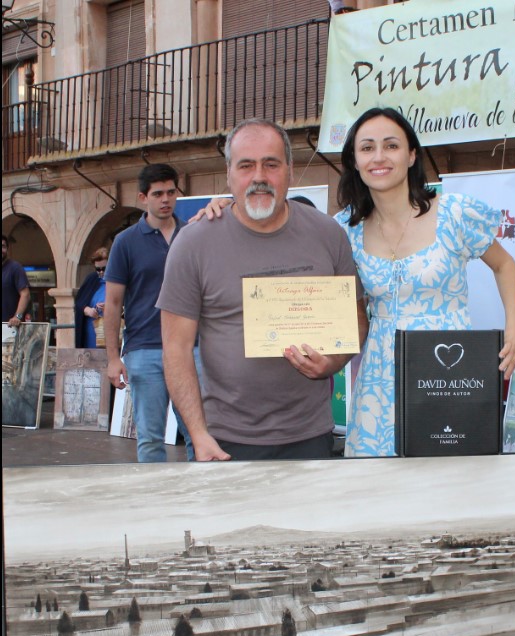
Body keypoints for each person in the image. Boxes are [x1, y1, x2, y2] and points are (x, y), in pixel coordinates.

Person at [157, 118, 368, 462]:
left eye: (271, 164)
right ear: (228, 174)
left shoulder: (328, 234)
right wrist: (197, 434)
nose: (259, 177)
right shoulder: (194, 243)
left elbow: (356, 322)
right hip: (224, 440)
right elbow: (175, 348)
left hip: (310, 435)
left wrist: (333, 362)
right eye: (246, 165)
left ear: (289, 170)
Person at [335, 107, 515, 457]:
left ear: (411, 155)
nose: (379, 157)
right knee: (378, 487)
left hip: (448, 373)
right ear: (355, 161)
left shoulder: (454, 213)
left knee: (445, 480)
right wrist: (225, 211)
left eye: (391, 146)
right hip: (379, 376)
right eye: (367, 148)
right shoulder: (345, 228)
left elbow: (504, 264)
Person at [103, 164, 187, 463]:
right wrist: (113, 358)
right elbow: (112, 303)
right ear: (143, 198)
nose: (166, 199)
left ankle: (203, 503)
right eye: (158, 194)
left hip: (190, 349)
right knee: (151, 439)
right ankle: (155, 504)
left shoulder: (191, 235)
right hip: (144, 350)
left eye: (171, 192)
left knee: (199, 434)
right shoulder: (126, 241)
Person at [74, 246, 110, 348]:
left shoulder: (118, 280)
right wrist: (87, 310)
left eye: (104, 268)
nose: (101, 272)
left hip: (112, 332)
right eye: (98, 269)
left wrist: (110, 308)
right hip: (91, 334)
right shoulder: (91, 279)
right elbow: (79, 303)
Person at [2, 234, 31, 326]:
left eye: (3, 246)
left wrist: (17, 317)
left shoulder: (15, 268)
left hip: (9, 328)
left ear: (7, 249)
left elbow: (25, 294)